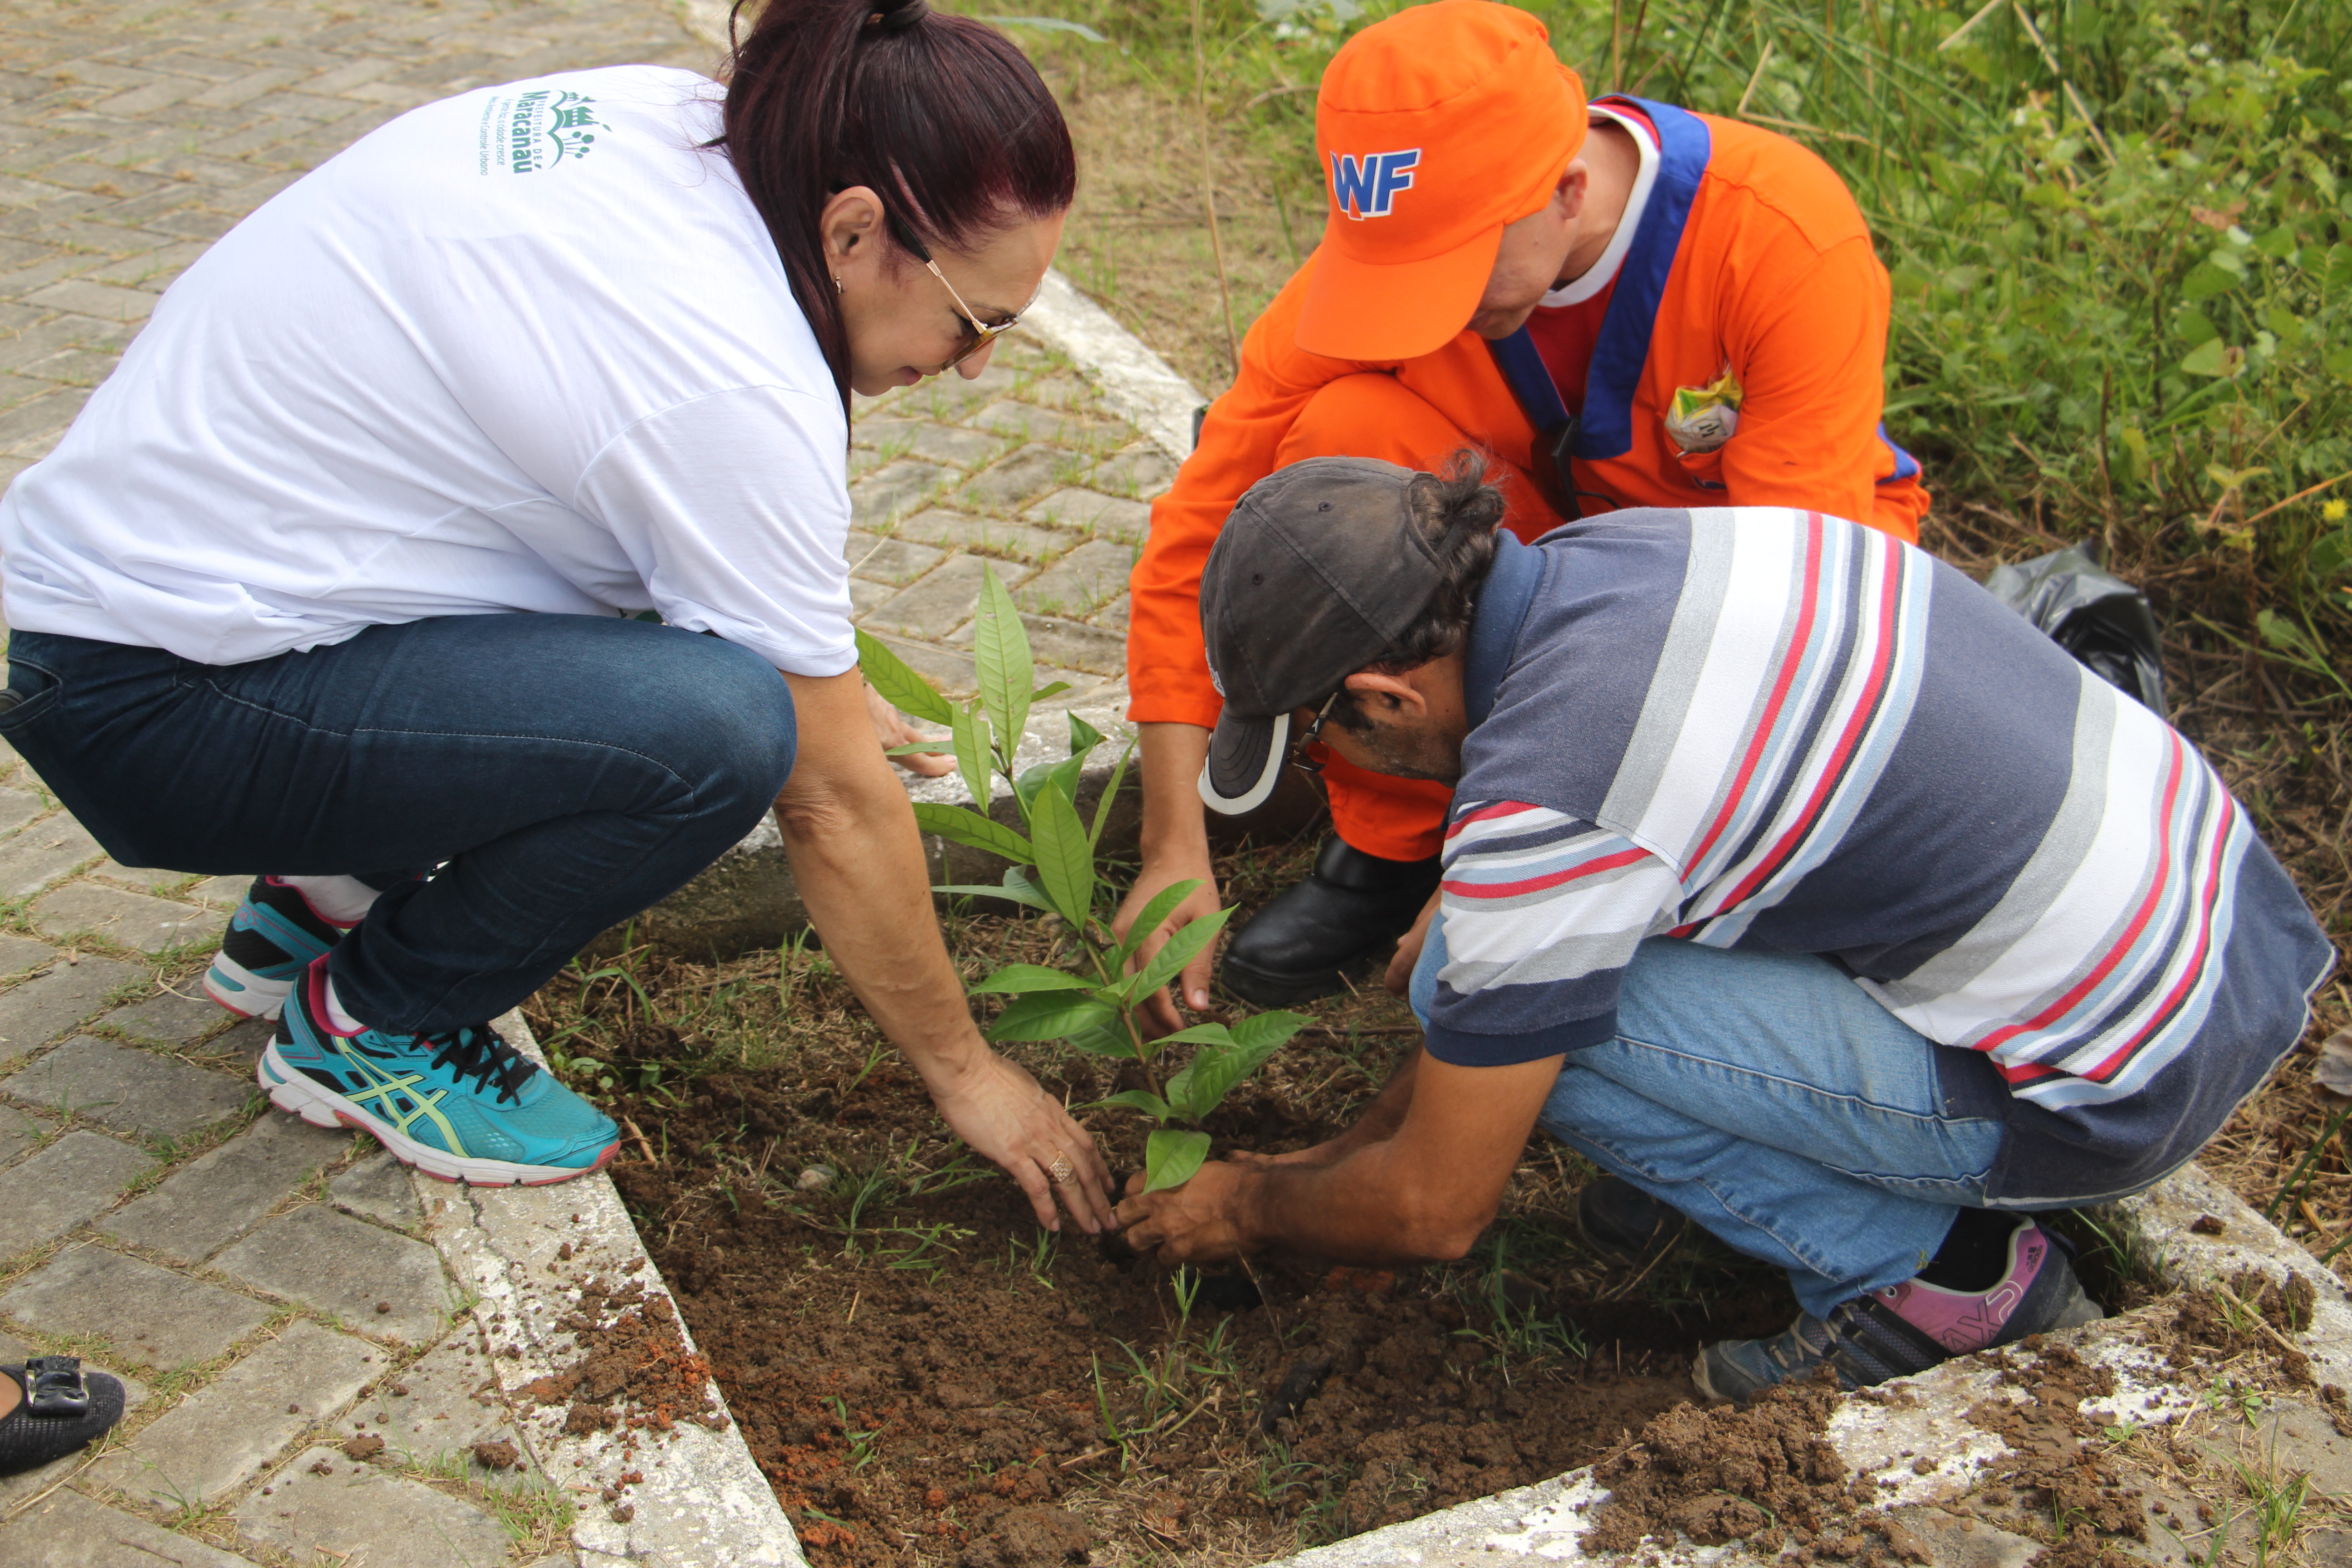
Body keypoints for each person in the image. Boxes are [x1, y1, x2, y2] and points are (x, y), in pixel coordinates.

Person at [0, 0, 1116, 1232]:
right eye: (978, 317)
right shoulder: (728, 375)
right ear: (856, 229)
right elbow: (827, 795)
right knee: (729, 731)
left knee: (710, 654)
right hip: (161, 708)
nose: (976, 366)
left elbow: (722, 572)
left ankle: (307, 907)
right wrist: (971, 1075)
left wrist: (832, 695)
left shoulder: (691, 129)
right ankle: (375, 1023)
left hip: (135, 631)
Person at [1114, 454, 2334, 1397]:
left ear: (1385, 695)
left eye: (1329, 735)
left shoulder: (1547, 797)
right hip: (2230, 951)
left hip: (2115, 1090)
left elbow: (1438, 1209)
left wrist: (1250, 1209)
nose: (1342, 763)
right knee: (1497, 981)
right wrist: (1331, 1163)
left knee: (1511, 1011)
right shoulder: (1628, 560)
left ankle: (1935, 1284)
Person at [1118, 0, 1931, 1016]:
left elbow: (1782, 605)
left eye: (1449, 273)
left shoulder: (1775, 236)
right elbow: (1203, 522)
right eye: (1396, 275)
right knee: (1337, 434)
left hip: (1751, 568)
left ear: (1568, 190)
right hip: (1556, 533)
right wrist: (1172, 844)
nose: (1428, 313)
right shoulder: (1399, 261)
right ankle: (1389, 842)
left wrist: (1505, 879)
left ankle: (1576, 861)